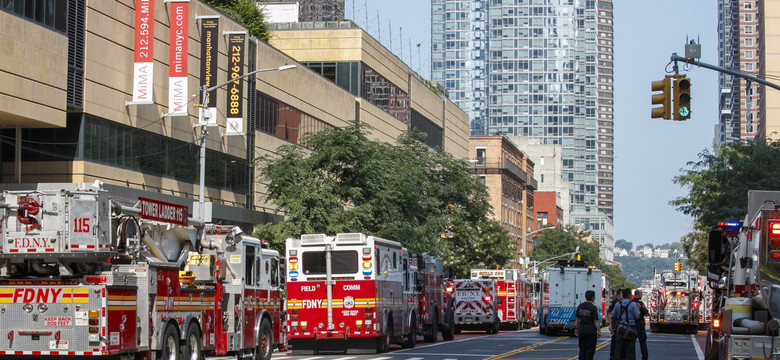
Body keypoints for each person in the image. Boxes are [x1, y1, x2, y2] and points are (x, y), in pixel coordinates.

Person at [611, 288, 641, 360]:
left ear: (623, 296)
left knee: (618, 349)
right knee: (630, 350)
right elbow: (637, 317)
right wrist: (639, 309)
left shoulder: (618, 304)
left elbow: (612, 315)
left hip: (620, 328)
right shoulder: (633, 304)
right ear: (630, 295)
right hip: (630, 329)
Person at [575, 290, 601, 360]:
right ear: (593, 298)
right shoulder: (593, 308)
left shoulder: (580, 306)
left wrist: (576, 329)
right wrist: (598, 331)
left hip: (582, 330)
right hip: (591, 331)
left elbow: (577, 319)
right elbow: (596, 321)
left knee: (582, 349)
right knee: (590, 350)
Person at [632, 290, 649, 360]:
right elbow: (645, 313)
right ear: (638, 294)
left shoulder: (631, 303)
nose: (641, 296)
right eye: (641, 294)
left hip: (632, 325)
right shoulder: (640, 303)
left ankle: (631, 357)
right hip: (640, 325)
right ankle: (644, 357)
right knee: (642, 343)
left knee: (631, 343)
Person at [607, 291, 621, 360]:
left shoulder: (624, 303)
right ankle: (612, 356)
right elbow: (609, 313)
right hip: (615, 324)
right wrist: (610, 324)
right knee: (614, 340)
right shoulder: (614, 303)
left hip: (621, 325)